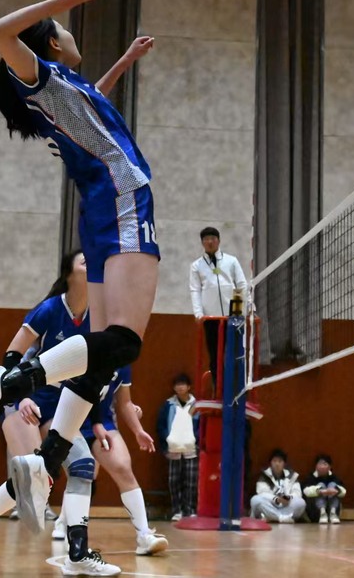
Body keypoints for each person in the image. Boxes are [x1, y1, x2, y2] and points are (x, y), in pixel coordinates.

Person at [0, 0, 161, 537]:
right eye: (65, 29)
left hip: (101, 206)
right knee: (123, 343)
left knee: (98, 363)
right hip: (122, 198)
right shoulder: (39, 75)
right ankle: (5, 383)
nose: (72, 34)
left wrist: (124, 61)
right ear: (50, 41)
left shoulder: (64, 91)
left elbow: (95, 107)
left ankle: (32, 479)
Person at [0, 251, 118, 575]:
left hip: (63, 402)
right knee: (33, 478)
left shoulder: (99, 317)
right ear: (69, 272)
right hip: (25, 399)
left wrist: (98, 418)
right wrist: (22, 396)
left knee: (82, 466)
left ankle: (76, 554)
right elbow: (14, 353)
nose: (92, 264)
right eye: (84, 260)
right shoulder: (50, 309)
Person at [67, 367, 169, 556]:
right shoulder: (79, 353)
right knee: (81, 473)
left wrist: (138, 430)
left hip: (102, 423)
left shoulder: (123, 361)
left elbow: (124, 402)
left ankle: (144, 535)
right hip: (70, 421)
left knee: (122, 467)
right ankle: (70, 533)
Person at [189, 226, 248, 388]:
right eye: (206, 239)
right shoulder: (196, 266)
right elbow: (195, 289)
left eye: (213, 239)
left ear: (219, 241)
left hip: (233, 317)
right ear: (202, 242)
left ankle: (236, 388)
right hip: (211, 319)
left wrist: (247, 308)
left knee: (235, 354)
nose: (209, 242)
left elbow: (242, 284)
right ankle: (219, 388)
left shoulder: (231, 261)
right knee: (215, 355)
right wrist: (198, 313)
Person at [157, 373, 200, 521]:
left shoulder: (196, 405)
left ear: (189, 387)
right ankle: (177, 510)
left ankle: (190, 510)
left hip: (191, 449)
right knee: (174, 481)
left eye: (183, 384)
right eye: (177, 384)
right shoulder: (168, 405)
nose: (180, 387)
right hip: (173, 448)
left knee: (191, 481)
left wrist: (197, 440)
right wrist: (166, 441)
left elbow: (201, 425)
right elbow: (161, 426)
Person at [250, 449, 306, 523]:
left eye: (280, 461)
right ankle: (281, 518)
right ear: (270, 463)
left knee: (301, 502)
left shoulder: (292, 476)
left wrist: (287, 498)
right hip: (270, 505)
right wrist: (276, 499)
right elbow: (262, 493)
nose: (277, 464)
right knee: (255, 499)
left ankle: (272, 517)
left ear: (284, 464)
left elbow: (297, 493)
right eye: (274, 461)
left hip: (286, 505)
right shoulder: (264, 476)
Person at [303, 454, 346, 524]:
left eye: (325, 464)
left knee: (333, 485)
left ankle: (333, 513)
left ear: (329, 467)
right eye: (320, 464)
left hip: (331, 509)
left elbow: (344, 491)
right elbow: (305, 491)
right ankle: (322, 513)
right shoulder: (311, 478)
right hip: (315, 512)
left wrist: (336, 491)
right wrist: (320, 491)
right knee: (320, 485)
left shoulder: (334, 478)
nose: (322, 466)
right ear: (316, 466)